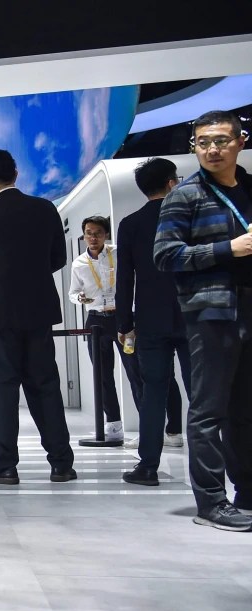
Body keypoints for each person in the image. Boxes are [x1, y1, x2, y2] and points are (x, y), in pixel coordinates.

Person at [154, 110, 252, 530]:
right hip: (211, 312)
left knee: (245, 408)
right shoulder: (185, 195)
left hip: (247, 307)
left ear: (240, 142)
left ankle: (247, 492)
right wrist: (228, 249)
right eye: (203, 142)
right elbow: (165, 255)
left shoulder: (249, 187)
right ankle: (211, 502)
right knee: (209, 411)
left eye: (221, 141)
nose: (212, 149)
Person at [0, 150, 76, 485]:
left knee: (2, 390)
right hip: (38, 311)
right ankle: (61, 463)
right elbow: (58, 257)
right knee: (45, 386)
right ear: (16, 174)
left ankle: (5, 465)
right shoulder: (45, 208)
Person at [118, 158, 191, 486]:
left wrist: (124, 323)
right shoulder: (188, 216)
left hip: (149, 319)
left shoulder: (131, 224)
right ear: (172, 183)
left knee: (153, 392)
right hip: (192, 315)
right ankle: (210, 467)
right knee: (200, 392)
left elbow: (125, 278)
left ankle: (148, 467)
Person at [67, 215, 127, 443]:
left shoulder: (118, 253)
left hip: (121, 317)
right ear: (84, 236)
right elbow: (72, 293)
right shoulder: (79, 263)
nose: (93, 238)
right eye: (89, 234)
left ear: (106, 234)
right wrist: (79, 298)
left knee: (136, 370)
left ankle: (148, 426)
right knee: (102, 376)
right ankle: (113, 426)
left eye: (98, 233)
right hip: (95, 320)